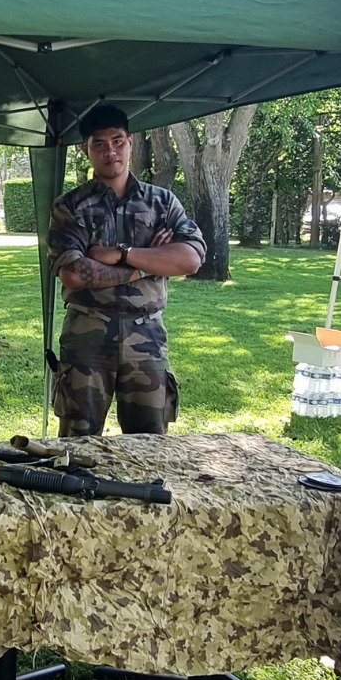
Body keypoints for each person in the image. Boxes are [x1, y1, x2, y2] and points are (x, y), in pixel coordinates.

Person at [46, 104, 204, 437]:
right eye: (99, 144)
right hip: (87, 333)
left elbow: (190, 259)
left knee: (149, 441)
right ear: (85, 149)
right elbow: (74, 273)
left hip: (146, 334)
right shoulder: (69, 207)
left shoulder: (162, 202)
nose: (110, 151)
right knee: (78, 442)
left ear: (130, 142)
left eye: (117, 141)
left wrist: (121, 254)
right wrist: (149, 265)